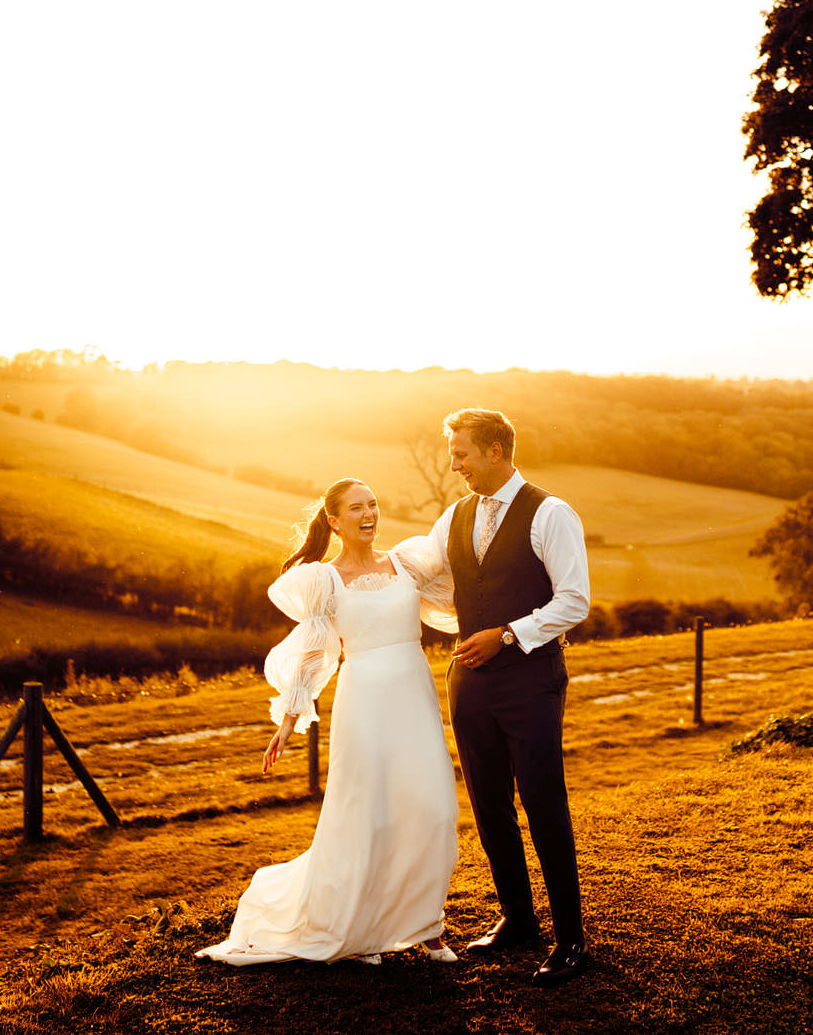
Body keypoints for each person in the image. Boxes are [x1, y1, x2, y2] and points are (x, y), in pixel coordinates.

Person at [197, 478, 462, 967]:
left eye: (374, 504)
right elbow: (313, 653)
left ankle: (426, 925)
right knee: (368, 816)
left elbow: (459, 579)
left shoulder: (408, 562)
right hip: (364, 703)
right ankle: (364, 928)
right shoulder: (323, 580)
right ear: (335, 520)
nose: (369, 513)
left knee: (433, 808)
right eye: (357, 507)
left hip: (414, 695)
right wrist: (288, 718)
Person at [430, 407, 591, 986]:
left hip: (530, 681)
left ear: (496, 450)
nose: (455, 465)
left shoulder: (551, 513)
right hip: (468, 682)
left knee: (544, 801)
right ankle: (518, 920)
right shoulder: (454, 514)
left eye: (462, 454)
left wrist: (505, 636)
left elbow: (574, 600)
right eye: (453, 454)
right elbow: (423, 577)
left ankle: (571, 938)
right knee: (488, 804)